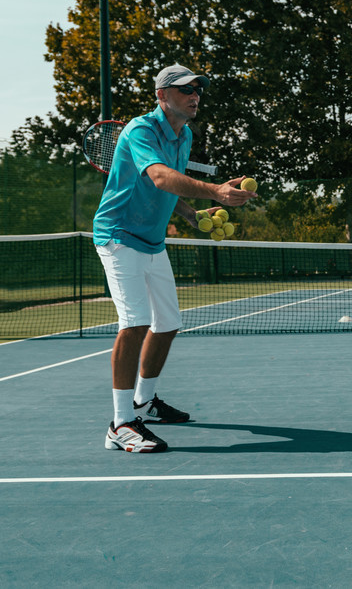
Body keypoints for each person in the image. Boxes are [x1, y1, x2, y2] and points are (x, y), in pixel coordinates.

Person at [93, 64, 256, 453]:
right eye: (186, 89)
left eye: (198, 89)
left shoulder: (183, 136)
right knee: (135, 322)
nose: (195, 95)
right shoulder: (140, 131)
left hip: (151, 241)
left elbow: (170, 189)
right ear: (162, 95)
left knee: (167, 324)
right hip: (118, 237)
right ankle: (120, 424)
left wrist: (191, 214)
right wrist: (215, 192)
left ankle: (144, 401)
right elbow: (161, 177)